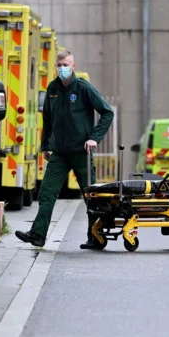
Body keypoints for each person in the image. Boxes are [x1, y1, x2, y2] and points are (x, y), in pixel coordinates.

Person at [15, 50, 114, 248]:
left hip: (81, 152)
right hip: (59, 153)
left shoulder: (83, 88)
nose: (62, 68)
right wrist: (45, 146)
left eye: (65, 65)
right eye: (59, 65)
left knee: (90, 196)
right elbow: (48, 120)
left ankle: (96, 237)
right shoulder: (53, 88)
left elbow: (107, 112)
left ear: (73, 66)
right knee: (47, 192)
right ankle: (38, 234)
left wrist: (94, 138)